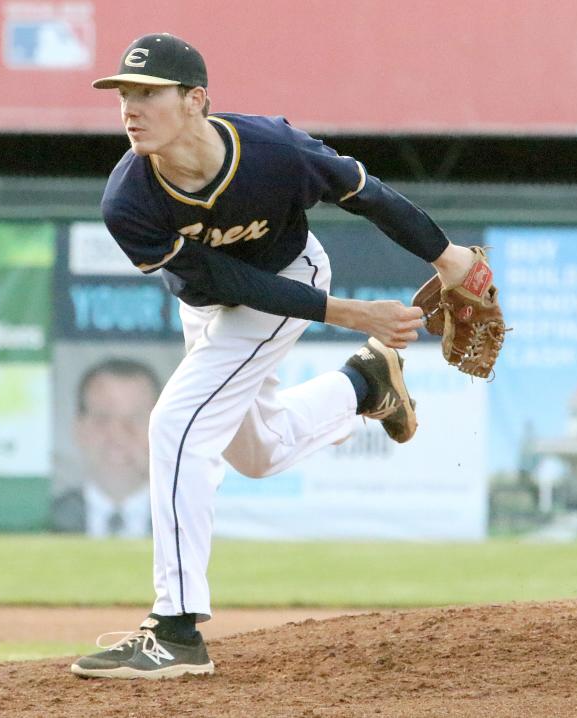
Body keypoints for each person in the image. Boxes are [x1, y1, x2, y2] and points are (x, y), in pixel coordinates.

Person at [71, 32, 482, 680]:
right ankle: (364, 383)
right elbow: (226, 285)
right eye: (124, 93)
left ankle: (175, 630)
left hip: (290, 276)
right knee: (255, 451)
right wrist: (352, 316)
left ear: (195, 99)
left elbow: (365, 191)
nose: (130, 107)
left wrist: (447, 256)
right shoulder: (128, 200)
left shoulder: (273, 151)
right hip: (217, 303)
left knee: (175, 426)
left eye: (148, 93)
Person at [51, 357, 160, 536]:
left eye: (135, 420)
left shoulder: (188, 521)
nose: (117, 436)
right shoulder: (47, 519)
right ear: (78, 429)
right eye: (102, 420)